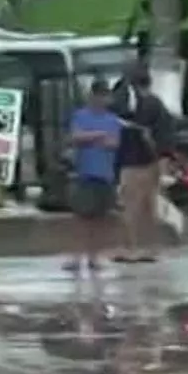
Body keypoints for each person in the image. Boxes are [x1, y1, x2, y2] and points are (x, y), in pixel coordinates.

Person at [112, 63, 172, 263]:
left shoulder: (141, 106)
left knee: (131, 207)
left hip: (134, 162)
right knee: (149, 207)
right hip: (152, 163)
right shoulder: (158, 104)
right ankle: (152, 248)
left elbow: (141, 132)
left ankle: (132, 247)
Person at [66, 80, 121, 272]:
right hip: (86, 173)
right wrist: (98, 136)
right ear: (93, 96)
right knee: (81, 218)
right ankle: (75, 257)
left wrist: (89, 138)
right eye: (100, 95)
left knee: (100, 219)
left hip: (105, 174)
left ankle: (94, 257)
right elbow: (75, 137)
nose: (104, 99)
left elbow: (113, 143)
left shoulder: (113, 120)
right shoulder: (80, 116)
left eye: (106, 96)